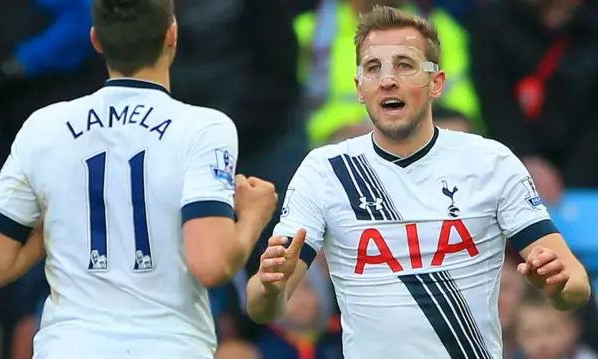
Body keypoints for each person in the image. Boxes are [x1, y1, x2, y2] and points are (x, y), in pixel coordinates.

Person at [245, 5, 591, 359]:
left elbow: (577, 286)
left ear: (436, 83)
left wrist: (557, 283)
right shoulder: (324, 169)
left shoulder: (491, 162)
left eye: (405, 65)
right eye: (373, 68)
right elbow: (262, 307)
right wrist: (272, 288)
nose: (387, 79)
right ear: (360, 87)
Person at [0, 0, 277, 358]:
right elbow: (212, 265)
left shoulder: (44, 127)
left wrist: (53, 223)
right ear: (172, 34)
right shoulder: (204, 128)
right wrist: (254, 215)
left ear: (96, 40)